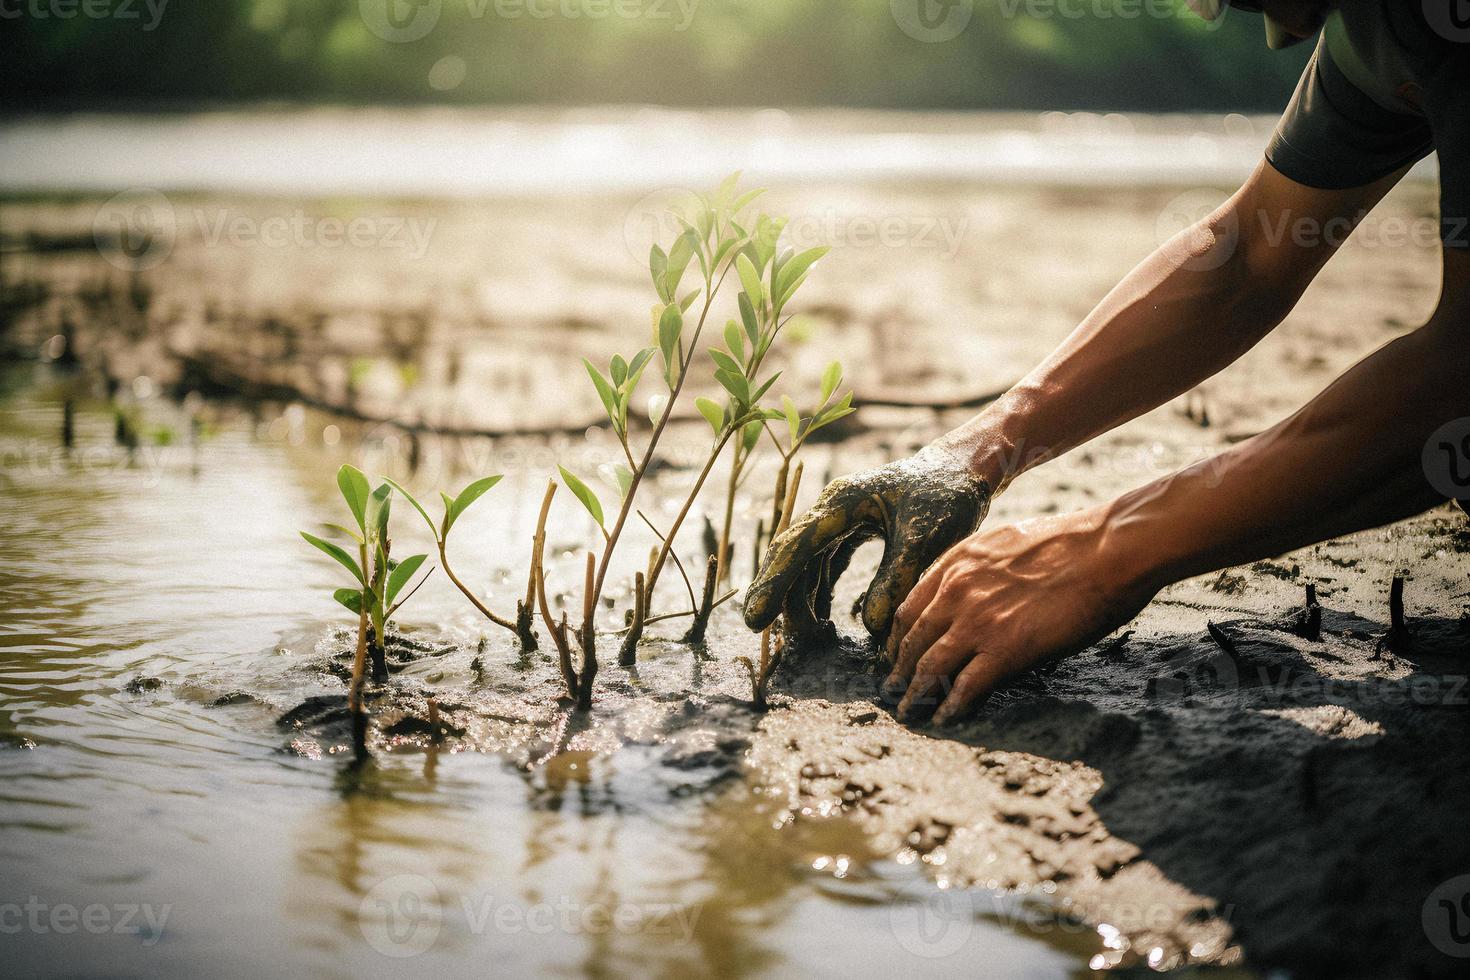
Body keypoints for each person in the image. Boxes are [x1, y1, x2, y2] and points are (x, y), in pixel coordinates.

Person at [743, 0, 1469, 725]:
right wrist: (973, 453)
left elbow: (1458, 374)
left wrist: (1107, 550)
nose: (1217, 15)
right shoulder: (1378, 29)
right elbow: (1249, 256)